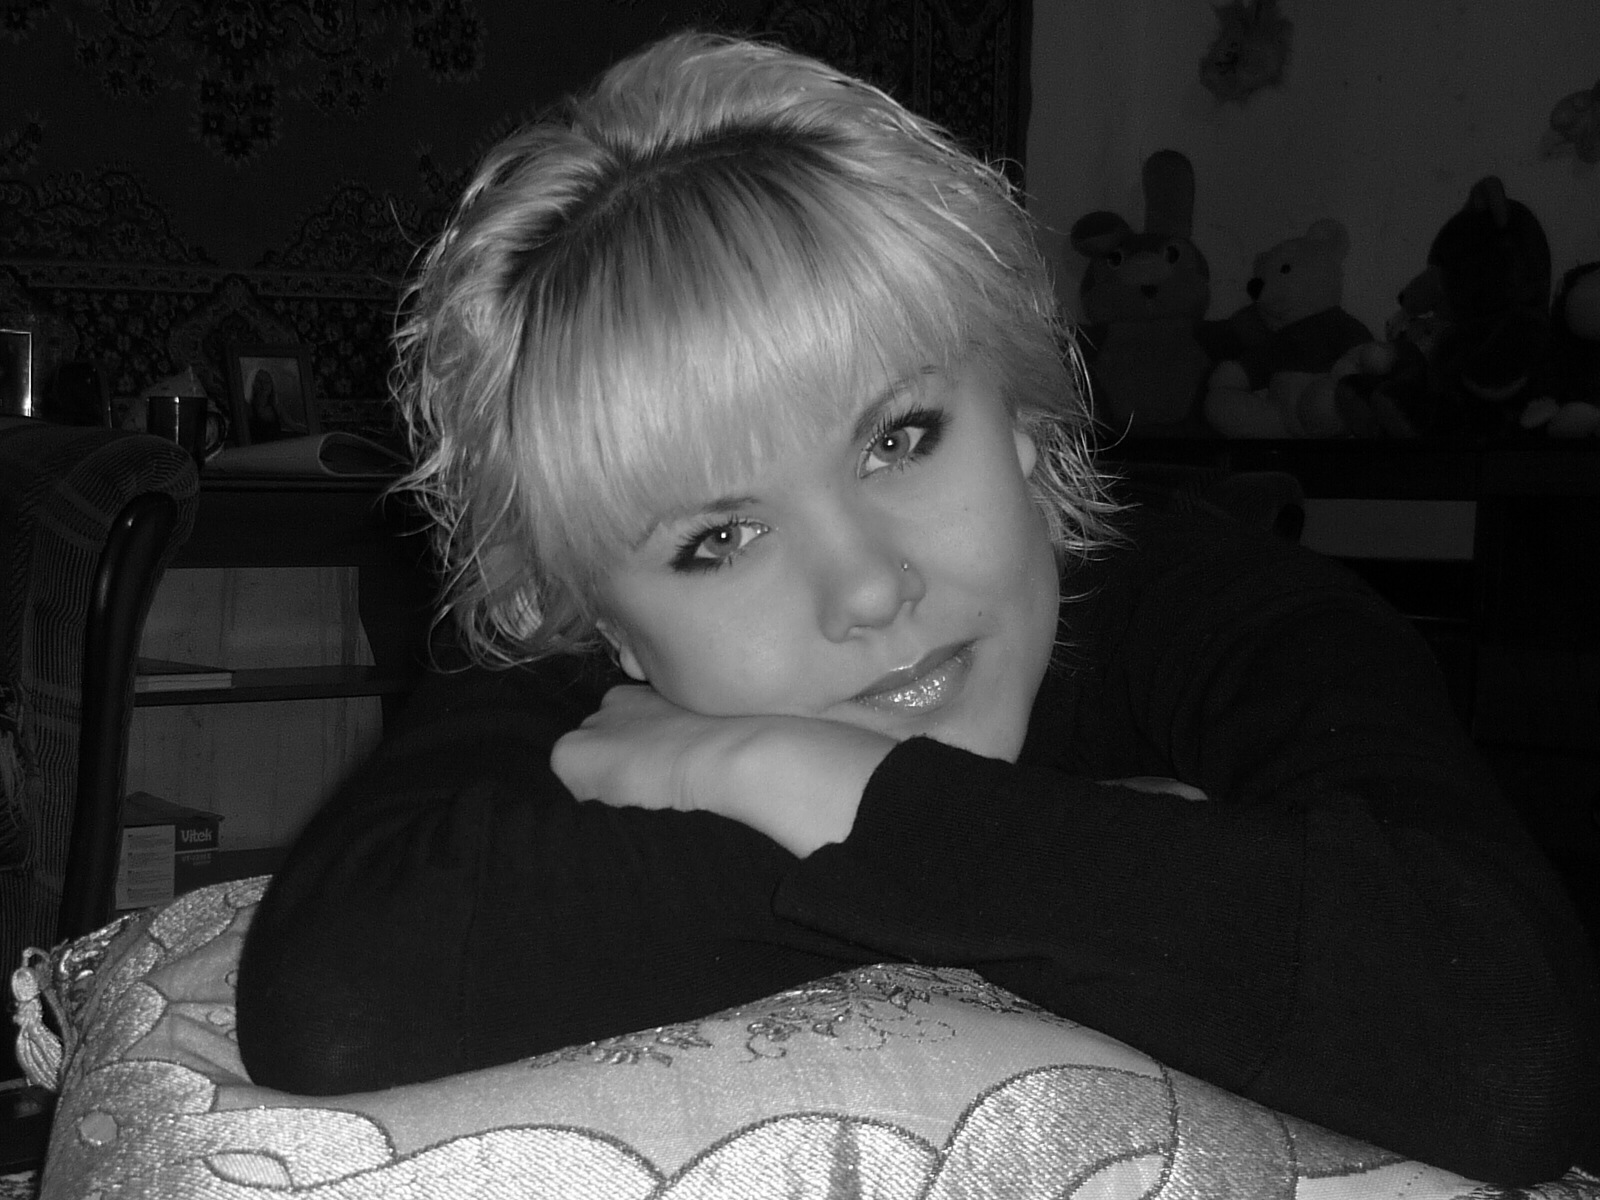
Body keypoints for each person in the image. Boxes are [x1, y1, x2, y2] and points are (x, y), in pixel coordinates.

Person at [235, 31, 1600, 1184]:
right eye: (719, 538)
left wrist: (811, 786)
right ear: (604, 623)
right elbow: (337, 1004)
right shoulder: (581, 682)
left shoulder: (1231, 611)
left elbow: (1518, 1048)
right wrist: (1102, 852)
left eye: (900, 438)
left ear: (1022, 416)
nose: (869, 586)